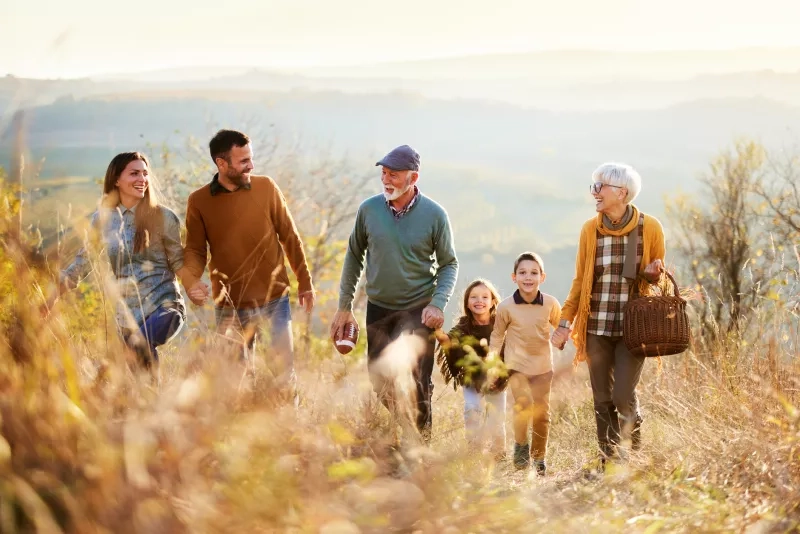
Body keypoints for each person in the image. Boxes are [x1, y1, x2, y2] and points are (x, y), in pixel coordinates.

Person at [330, 144, 458, 443]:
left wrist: (438, 304)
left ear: (413, 178)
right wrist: (344, 305)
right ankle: (406, 429)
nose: (386, 180)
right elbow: (354, 255)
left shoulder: (435, 214)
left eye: (394, 175)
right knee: (379, 379)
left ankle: (420, 448)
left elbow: (449, 263)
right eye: (384, 173)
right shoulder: (369, 209)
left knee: (418, 380)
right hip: (379, 307)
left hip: (418, 308)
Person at [551, 162, 665, 468]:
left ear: (622, 192)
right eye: (595, 187)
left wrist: (654, 276)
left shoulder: (650, 227)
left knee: (621, 395)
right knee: (601, 398)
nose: (595, 193)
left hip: (634, 329)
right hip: (597, 327)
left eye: (600, 187)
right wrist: (565, 323)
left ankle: (633, 430)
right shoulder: (591, 229)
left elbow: (659, 279)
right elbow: (580, 282)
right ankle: (609, 459)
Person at [182, 129, 314, 392]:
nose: (250, 166)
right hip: (230, 305)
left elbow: (289, 236)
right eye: (243, 161)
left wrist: (305, 281)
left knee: (284, 375)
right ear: (221, 163)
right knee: (234, 381)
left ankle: (291, 427)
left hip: (274, 299)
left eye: (250, 159)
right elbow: (195, 250)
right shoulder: (199, 201)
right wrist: (191, 282)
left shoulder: (266, 187)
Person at [50, 152, 198, 368]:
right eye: (134, 173)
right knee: (140, 377)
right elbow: (84, 262)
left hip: (165, 307)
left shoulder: (164, 217)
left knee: (140, 346)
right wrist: (52, 296)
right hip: (127, 316)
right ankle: (149, 400)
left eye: (145, 173)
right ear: (117, 180)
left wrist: (194, 284)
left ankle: (111, 377)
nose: (142, 179)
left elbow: (177, 261)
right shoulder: (102, 219)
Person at [490, 252, 561, 473]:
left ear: (542, 276)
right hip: (516, 367)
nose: (528, 277)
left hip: (543, 368)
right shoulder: (505, 307)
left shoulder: (550, 303)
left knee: (542, 414)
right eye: (522, 273)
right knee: (522, 407)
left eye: (533, 273)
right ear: (514, 277)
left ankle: (539, 458)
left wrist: (563, 338)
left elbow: (561, 327)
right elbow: (497, 336)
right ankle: (521, 447)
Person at [435, 279, 507, 459]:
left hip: (497, 379)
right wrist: (439, 333)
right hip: (471, 379)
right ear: (467, 302)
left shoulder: (500, 325)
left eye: (484, 296)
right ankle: (474, 450)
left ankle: (499, 452)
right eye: (473, 297)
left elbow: (510, 349)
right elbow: (449, 342)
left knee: (496, 418)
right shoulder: (463, 326)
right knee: (472, 409)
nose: (479, 300)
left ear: (493, 302)